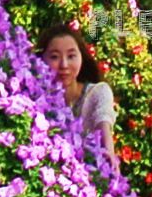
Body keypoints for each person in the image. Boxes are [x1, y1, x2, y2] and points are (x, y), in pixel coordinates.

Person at [40, 22, 116, 158]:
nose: (64, 65)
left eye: (71, 56)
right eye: (54, 57)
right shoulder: (37, 97)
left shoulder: (98, 92)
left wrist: (108, 153)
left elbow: (103, 121)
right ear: (41, 60)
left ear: (81, 57)